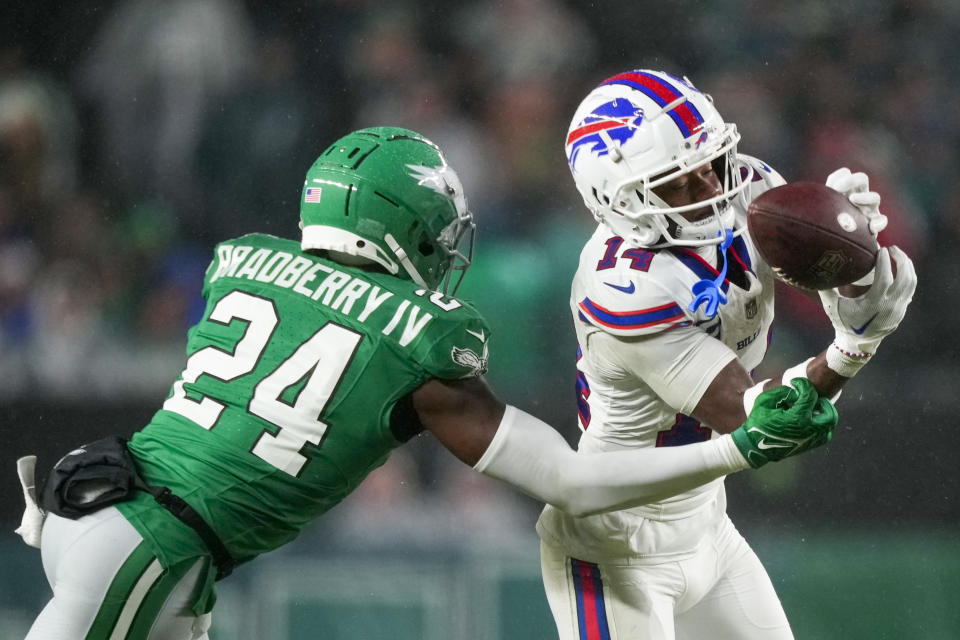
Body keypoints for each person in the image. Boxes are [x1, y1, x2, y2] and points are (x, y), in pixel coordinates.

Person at [16, 126, 838, 640]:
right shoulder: (420, 342)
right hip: (158, 544)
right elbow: (570, 483)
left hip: (99, 496)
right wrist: (736, 448)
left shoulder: (243, 262)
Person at [536, 69, 918, 640]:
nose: (709, 191)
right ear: (614, 200)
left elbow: (820, 274)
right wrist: (853, 348)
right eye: (677, 184)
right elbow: (754, 417)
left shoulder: (748, 191)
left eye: (710, 166)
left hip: (706, 523)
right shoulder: (621, 285)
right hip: (612, 547)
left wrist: (854, 271)